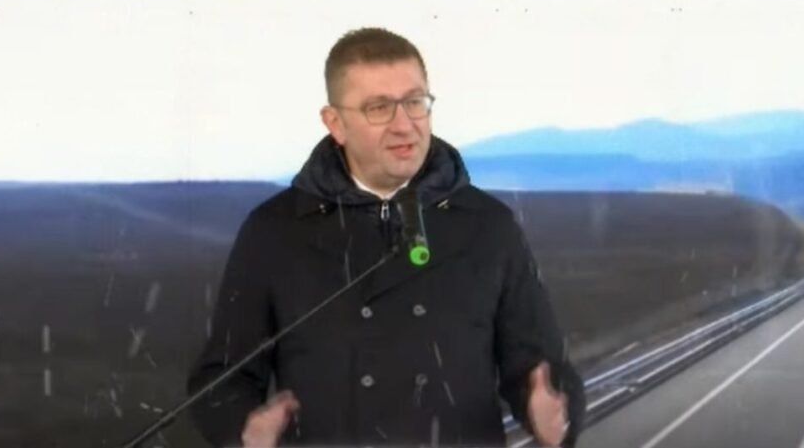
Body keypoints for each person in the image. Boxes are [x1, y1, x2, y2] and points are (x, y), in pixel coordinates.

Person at [187, 27, 586, 448]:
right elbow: (224, 379)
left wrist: (553, 414)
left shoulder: (488, 226)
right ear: (336, 123)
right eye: (379, 108)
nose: (404, 125)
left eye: (414, 102)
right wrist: (242, 430)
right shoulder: (275, 232)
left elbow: (540, 368)